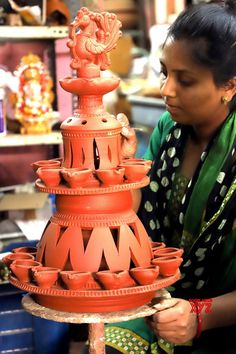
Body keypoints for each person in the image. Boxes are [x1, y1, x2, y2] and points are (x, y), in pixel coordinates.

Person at [101, 1, 236, 353]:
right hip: (164, 300)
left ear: (230, 86)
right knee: (107, 344)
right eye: (164, 73)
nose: (166, 90)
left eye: (185, 80)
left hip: (224, 315)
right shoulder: (170, 130)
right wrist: (123, 170)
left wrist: (200, 315)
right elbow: (137, 216)